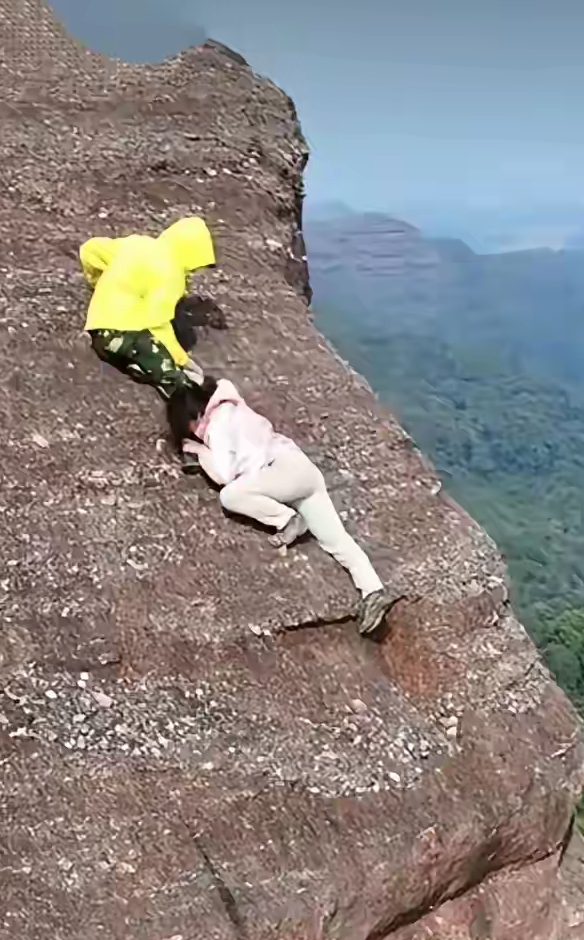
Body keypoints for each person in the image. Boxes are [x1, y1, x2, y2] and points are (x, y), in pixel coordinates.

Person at [168, 375, 395, 638]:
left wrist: (198, 450)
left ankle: (286, 519)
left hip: (280, 470)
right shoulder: (234, 406)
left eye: (189, 428)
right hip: (303, 470)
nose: (194, 432)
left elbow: (224, 476)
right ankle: (372, 590)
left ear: (194, 418)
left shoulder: (216, 425)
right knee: (338, 540)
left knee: (229, 496)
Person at [79, 217, 217, 407]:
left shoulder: (137, 243)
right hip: (122, 336)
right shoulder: (171, 274)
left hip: (96, 325)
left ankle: (135, 363)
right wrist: (181, 358)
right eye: (191, 270)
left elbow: (89, 249)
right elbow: (157, 324)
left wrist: (97, 282)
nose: (190, 274)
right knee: (182, 384)